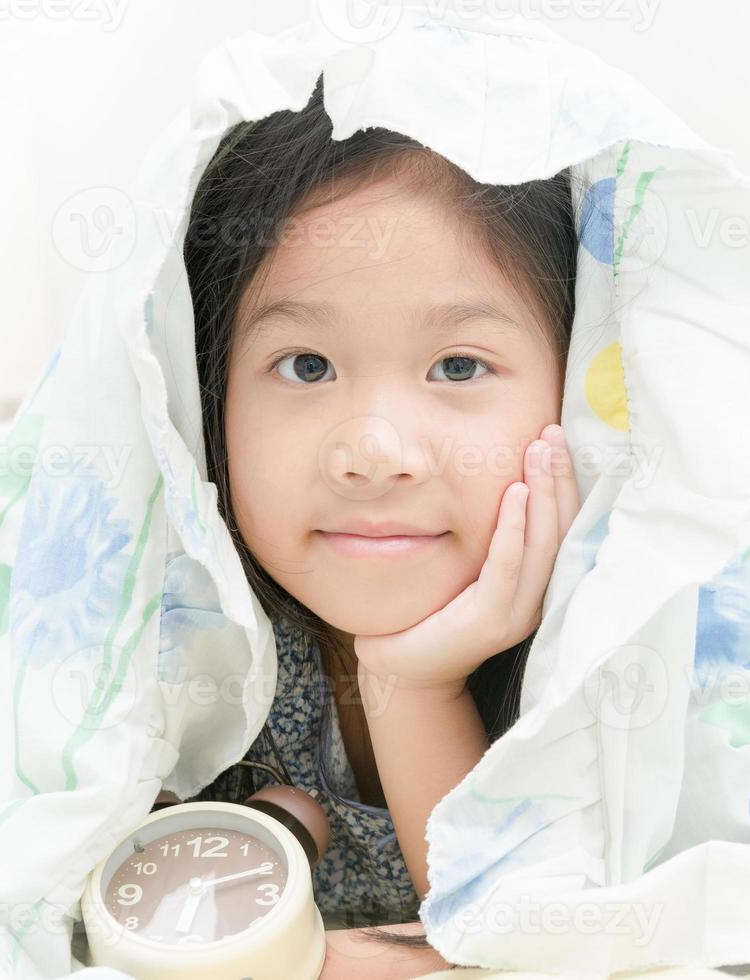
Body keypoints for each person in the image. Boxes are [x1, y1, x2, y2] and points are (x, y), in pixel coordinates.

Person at [181, 73, 583, 969]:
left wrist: (418, 684)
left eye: (458, 367)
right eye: (308, 365)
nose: (374, 450)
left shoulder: (615, 645)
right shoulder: (177, 640)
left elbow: (525, 946)